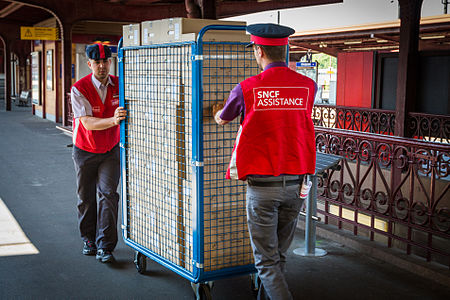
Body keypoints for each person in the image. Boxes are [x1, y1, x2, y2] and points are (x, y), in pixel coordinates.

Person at [212, 23, 317, 299]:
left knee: (266, 262)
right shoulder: (308, 86)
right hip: (297, 186)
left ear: (258, 51)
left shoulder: (247, 88)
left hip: (262, 188)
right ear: (284, 49)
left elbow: (222, 118)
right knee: (278, 257)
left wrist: (215, 111)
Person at [71, 43, 126, 263]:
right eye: (97, 63)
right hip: (85, 150)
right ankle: (89, 239)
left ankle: (105, 246)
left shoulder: (120, 85)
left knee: (109, 195)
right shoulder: (79, 88)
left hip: (110, 149)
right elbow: (87, 123)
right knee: (86, 197)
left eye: (105, 62)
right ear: (89, 64)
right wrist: (113, 120)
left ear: (110, 62)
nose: (102, 66)